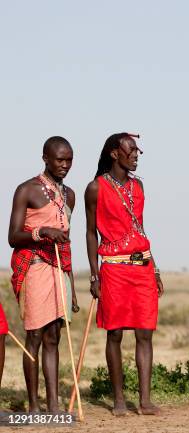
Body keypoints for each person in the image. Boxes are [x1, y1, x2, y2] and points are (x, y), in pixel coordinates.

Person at [85, 133, 164, 416]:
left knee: (145, 334)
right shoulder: (95, 188)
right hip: (114, 269)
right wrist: (95, 276)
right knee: (115, 334)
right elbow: (90, 233)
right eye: (130, 151)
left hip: (141, 267)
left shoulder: (139, 186)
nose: (136, 155)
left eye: (137, 151)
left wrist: (153, 267)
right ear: (114, 154)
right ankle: (118, 399)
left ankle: (144, 401)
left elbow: (140, 228)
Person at [8, 136, 79, 413]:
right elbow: (13, 237)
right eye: (60, 159)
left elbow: (67, 244)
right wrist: (41, 233)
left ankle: (53, 405)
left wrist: (72, 286)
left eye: (69, 160)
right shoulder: (26, 189)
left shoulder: (69, 195)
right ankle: (34, 405)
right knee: (35, 335)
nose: (65, 165)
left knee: (54, 336)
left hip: (59, 269)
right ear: (45, 159)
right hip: (35, 265)